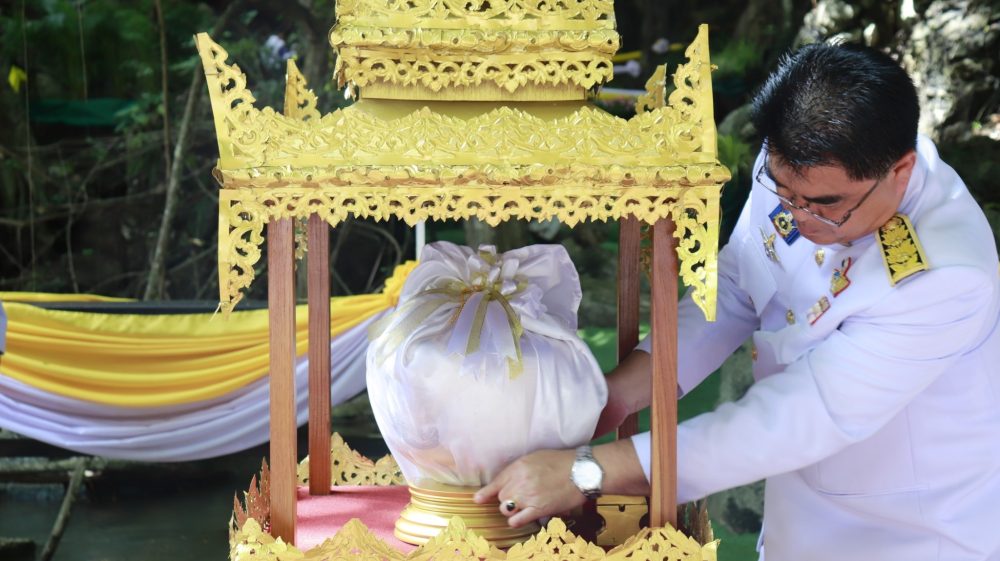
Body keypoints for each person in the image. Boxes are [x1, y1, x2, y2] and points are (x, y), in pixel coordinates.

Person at [474, 42, 1000, 560]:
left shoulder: (944, 276)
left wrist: (589, 471)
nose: (800, 217)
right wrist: (618, 394)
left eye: (826, 205)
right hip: (801, 502)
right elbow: (738, 286)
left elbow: (803, 414)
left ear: (900, 172)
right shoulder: (793, 168)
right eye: (786, 194)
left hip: (907, 531)